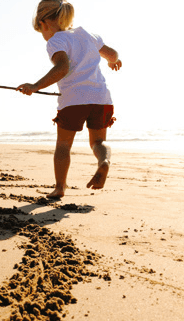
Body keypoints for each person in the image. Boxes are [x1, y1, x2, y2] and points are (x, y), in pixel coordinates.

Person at [17, 0, 122, 199]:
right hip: (101, 98)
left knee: (63, 146)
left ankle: (60, 188)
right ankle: (104, 162)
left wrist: (35, 86)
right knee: (98, 142)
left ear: (43, 23)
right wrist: (114, 61)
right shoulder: (88, 35)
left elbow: (62, 68)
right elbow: (113, 54)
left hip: (74, 100)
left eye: (41, 31)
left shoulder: (56, 40)